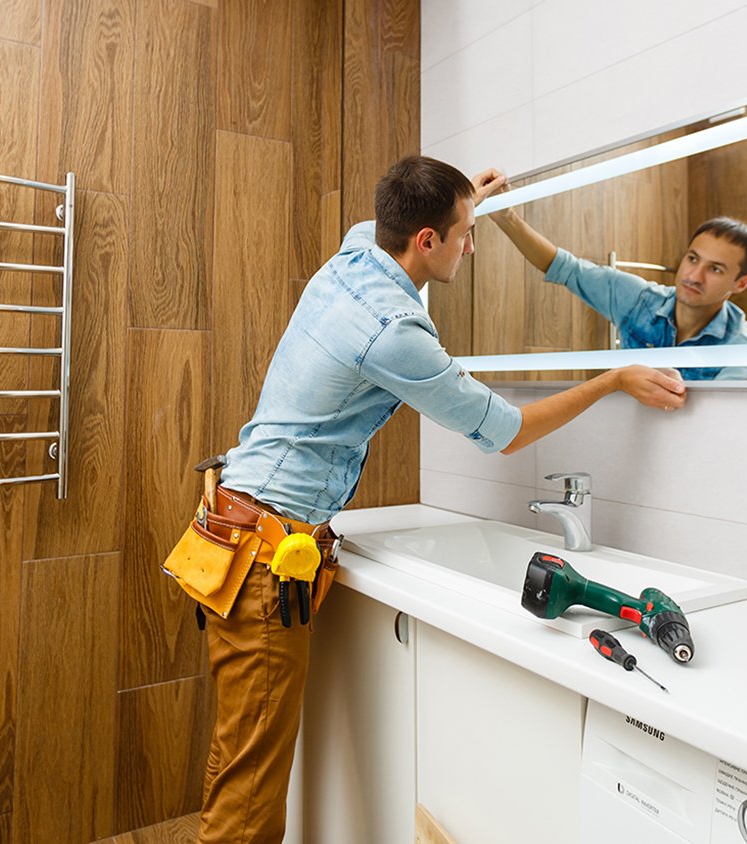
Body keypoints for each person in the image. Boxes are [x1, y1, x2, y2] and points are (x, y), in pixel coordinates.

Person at [187, 156, 687, 843]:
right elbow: (506, 433)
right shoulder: (396, 331)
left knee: (238, 757)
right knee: (248, 796)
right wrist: (612, 379)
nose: (472, 246)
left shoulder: (356, 254)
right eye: (465, 233)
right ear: (425, 240)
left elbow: (394, 231)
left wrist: (463, 200)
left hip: (235, 524)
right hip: (265, 558)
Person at [485, 186, 747, 380]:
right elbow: (565, 268)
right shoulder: (640, 301)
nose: (694, 276)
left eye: (716, 269)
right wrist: (506, 216)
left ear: (741, 283)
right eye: (693, 259)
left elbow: (718, 424)